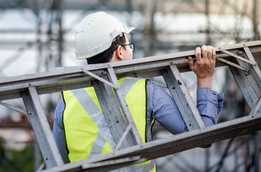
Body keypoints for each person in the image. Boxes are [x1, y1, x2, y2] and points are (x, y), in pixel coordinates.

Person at [53, 11, 224, 171]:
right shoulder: (145, 91)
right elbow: (203, 137)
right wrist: (205, 77)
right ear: (120, 51)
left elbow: (60, 160)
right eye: (129, 45)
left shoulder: (67, 99)